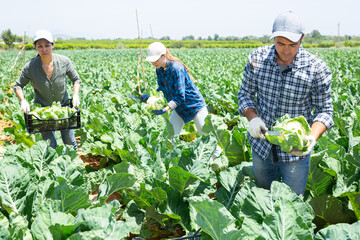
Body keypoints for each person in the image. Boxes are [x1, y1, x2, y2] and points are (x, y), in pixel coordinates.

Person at [237, 11, 334, 195]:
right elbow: (245, 95)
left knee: (292, 203)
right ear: (273, 38)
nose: (286, 50)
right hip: (261, 146)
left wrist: (311, 138)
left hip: (295, 153)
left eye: (293, 44)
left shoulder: (316, 69)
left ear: (302, 39)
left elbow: (325, 111)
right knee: (263, 198)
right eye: (280, 44)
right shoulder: (257, 59)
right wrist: (253, 118)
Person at [144, 42, 222, 159]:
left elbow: (181, 96)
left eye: (155, 59)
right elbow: (162, 88)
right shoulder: (159, 70)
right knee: (170, 137)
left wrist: (165, 109)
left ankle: (218, 160)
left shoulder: (177, 68)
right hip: (178, 108)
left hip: (194, 105)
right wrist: (151, 97)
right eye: (151, 60)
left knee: (205, 135)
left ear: (163, 56)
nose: (153, 63)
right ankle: (173, 161)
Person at [14, 30, 81, 150]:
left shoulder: (64, 61)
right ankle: (51, 166)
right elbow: (18, 86)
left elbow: (76, 79)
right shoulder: (30, 67)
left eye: (47, 45)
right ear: (35, 47)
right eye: (40, 46)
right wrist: (23, 100)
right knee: (50, 145)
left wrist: (75, 95)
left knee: (70, 142)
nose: (44, 49)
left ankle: (74, 164)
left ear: (53, 45)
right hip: (42, 111)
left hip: (63, 108)